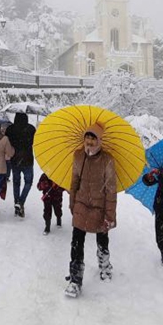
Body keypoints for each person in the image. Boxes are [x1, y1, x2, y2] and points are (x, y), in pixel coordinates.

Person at [64, 124, 117, 298]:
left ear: (99, 140)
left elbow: (111, 190)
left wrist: (110, 216)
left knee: (102, 240)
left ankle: (105, 266)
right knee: (76, 243)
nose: (90, 141)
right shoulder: (79, 156)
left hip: (99, 208)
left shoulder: (107, 160)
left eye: (93, 138)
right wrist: (73, 204)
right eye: (88, 137)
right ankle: (75, 280)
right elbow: (74, 182)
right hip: (80, 204)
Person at [5, 112, 36, 218]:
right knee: (28, 182)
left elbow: (7, 142)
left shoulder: (10, 129)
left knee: (16, 183)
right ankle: (21, 202)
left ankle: (16, 204)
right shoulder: (31, 129)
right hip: (27, 160)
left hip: (15, 160)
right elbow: (34, 142)